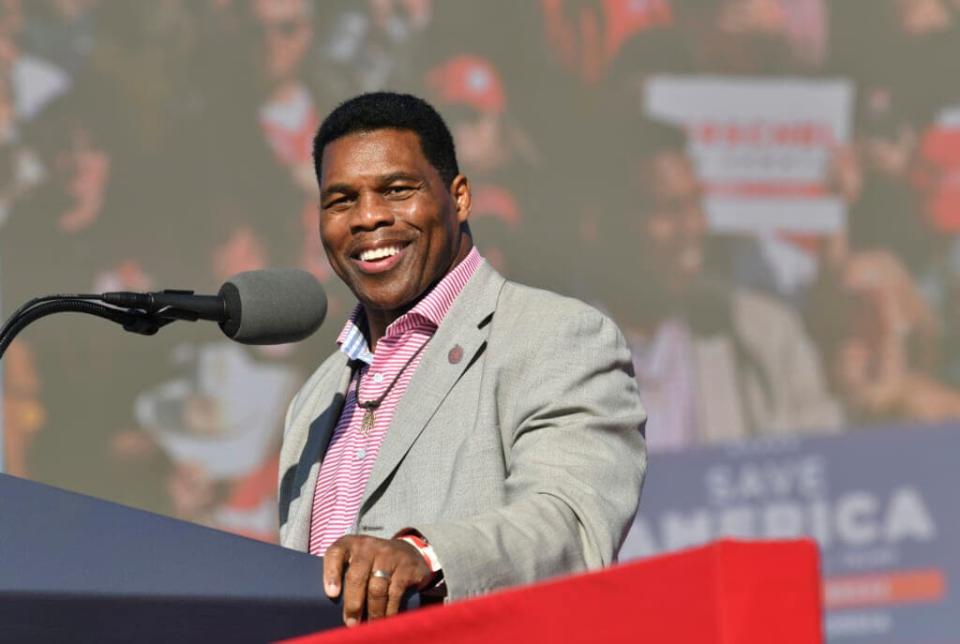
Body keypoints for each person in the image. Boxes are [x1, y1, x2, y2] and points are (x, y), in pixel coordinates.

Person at [277, 92, 646, 624]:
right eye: (341, 201)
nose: (368, 217)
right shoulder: (313, 400)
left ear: (460, 197)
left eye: (397, 190)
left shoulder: (554, 336)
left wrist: (426, 558)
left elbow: (573, 525)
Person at [586, 115, 842, 452]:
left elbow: (826, 462)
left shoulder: (763, 337)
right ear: (601, 226)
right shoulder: (550, 361)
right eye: (668, 210)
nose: (692, 227)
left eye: (696, 204)